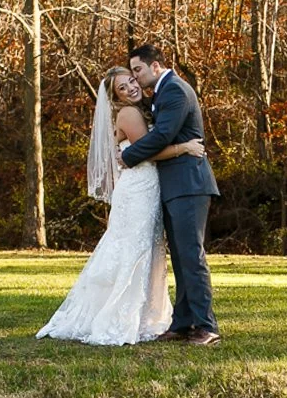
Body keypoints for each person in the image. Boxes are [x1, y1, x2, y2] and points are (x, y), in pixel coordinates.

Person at [36, 67, 205, 345]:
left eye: (131, 81)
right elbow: (146, 152)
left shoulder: (144, 108)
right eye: (122, 89)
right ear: (115, 97)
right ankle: (120, 317)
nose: (130, 89)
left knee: (144, 249)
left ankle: (144, 315)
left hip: (148, 187)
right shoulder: (129, 113)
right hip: (139, 188)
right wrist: (183, 148)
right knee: (134, 250)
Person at [120, 44, 222, 346]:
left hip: (189, 184)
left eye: (138, 70)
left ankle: (207, 326)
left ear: (156, 66)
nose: (136, 78)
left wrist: (127, 156)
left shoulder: (175, 90)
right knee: (179, 257)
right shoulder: (163, 93)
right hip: (175, 186)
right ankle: (184, 322)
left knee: (191, 255)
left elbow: (163, 134)